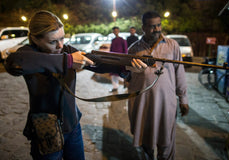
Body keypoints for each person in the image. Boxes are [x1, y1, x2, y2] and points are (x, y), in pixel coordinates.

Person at [3, 10, 142, 160]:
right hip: (45, 131)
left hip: (73, 126)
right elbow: (14, 63)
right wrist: (67, 61)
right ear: (36, 40)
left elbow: (95, 63)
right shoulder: (27, 53)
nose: (61, 45)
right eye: (52, 42)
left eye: (62, 38)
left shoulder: (67, 50)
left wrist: (125, 67)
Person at [127, 11, 189, 160]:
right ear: (143, 27)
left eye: (159, 25)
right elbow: (128, 77)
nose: (157, 29)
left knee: (166, 141)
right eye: (152, 26)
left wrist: (183, 99)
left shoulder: (172, 45)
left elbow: (179, 72)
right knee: (145, 140)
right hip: (143, 103)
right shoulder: (134, 49)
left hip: (166, 103)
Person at [109, 26, 128, 92]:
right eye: (114, 31)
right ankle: (115, 87)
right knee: (113, 73)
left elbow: (125, 50)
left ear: (119, 31)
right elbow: (111, 50)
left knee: (120, 73)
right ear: (113, 32)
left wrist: (125, 59)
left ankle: (126, 82)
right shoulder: (113, 40)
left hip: (120, 59)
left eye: (117, 31)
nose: (116, 32)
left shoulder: (122, 40)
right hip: (113, 59)